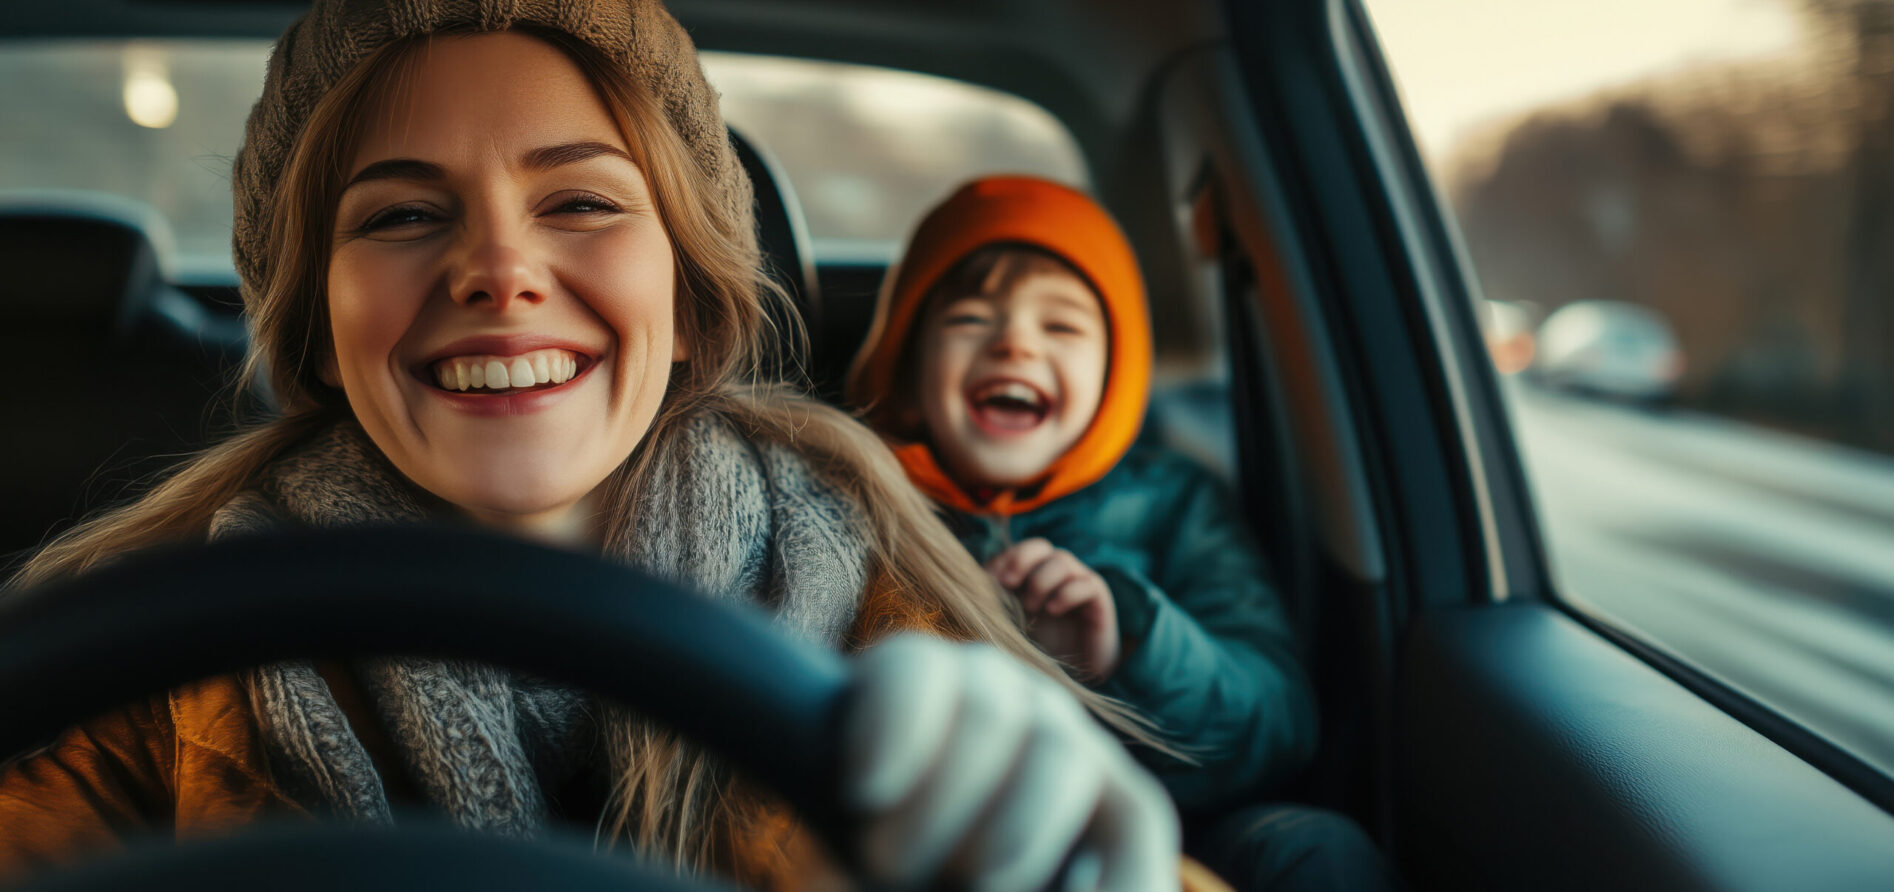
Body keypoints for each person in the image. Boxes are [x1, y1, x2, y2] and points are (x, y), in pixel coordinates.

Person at [0, 4, 1211, 891]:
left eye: (579, 201)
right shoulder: (166, 652)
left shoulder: (882, 619)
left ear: (688, 302)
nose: (497, 270)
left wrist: (1088, 859)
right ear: (316, 331)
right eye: (405, 215)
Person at [847, 176, 1397, 891]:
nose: (1014, 343)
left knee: (1318, 851)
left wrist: (1130, 646)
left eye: (1063, 326)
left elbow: (1280, 725)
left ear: (1114, 379)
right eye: (971, 319)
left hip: (1166, 836)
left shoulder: (1174, 503)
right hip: (930, 834)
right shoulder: (858, 500)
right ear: (911, 377)